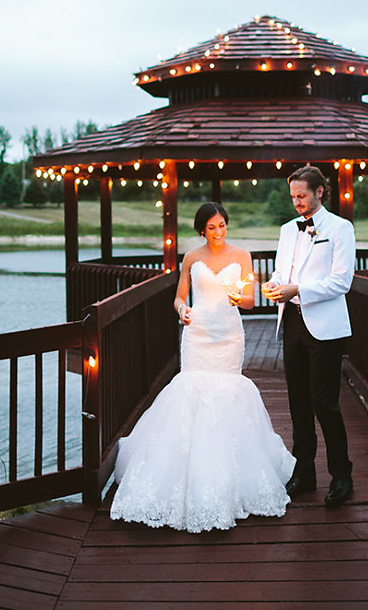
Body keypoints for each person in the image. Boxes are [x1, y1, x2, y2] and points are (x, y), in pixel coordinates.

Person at [110, 202, 294, 533]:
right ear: (201, 230)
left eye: (222, 225)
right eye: (212, 227)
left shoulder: (242, 256)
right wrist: (182, 310)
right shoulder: (191, 258)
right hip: (197, 334)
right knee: (191, 392)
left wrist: (240, 298)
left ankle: (230, 478)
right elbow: (179, 297)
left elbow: (251, 300)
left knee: (227, 394)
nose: (219, 232)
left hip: (228, 335)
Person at [262, 166, 355, 507]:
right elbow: (280, 269)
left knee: (325, 404)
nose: (297, 202)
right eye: (293, 197)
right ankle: (304, 474)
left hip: (325, 329)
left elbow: (342, 281)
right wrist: (275, 284)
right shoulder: (288, 230)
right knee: (298, 403)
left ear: (320, 191)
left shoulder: (341, 228)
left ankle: (342, 476)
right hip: (293, 323)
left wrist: (298, 289)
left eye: (302, 195)